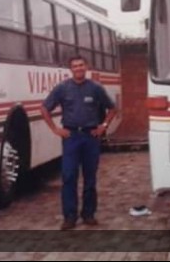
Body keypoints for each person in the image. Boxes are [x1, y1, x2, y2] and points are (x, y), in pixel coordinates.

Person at [40, 55, 117, 230]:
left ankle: (88, 214)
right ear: (71, 70)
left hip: (91, 138)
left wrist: (103, 126)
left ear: (86, 66)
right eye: (75, 66)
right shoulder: (62, 88)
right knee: (68, 177)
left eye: (81, 65)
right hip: (71, 138)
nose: (78, 68)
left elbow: (112, 108)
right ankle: (70, 216)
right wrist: (55, 129)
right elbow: (44, 108)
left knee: (90, 178)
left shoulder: (96, 88)